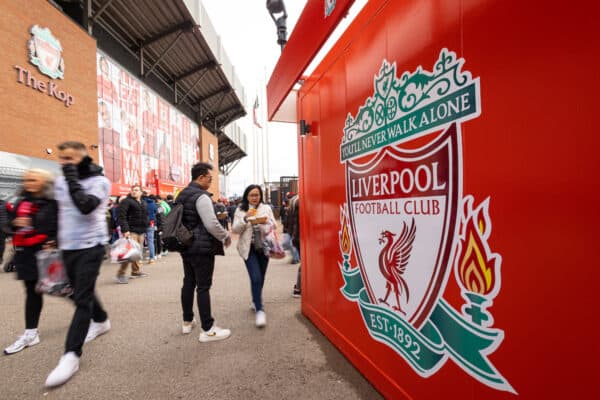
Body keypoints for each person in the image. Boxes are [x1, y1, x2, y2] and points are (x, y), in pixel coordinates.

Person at [45, 141, 111, 387]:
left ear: (84, 158)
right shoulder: (60, 181)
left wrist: (72, 178)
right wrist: (50, 237)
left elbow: (85, 206)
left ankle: (71, 355)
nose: (65, 163)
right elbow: (57, 211)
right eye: (62, 158)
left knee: (81, 299)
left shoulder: (100, 182)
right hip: (66, 247)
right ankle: (102, 319)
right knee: (76, 293)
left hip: (91, 246)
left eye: (71, 158)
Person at [3, 169, 57, 355]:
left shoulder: (51, 201)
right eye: (26, 180)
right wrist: (14, 224)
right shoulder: (21, 200)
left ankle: (93, 314)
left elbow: (58, 225)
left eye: (33, 179)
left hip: (46, 252)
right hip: (25, 252)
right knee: (33, 291)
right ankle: (31, 333)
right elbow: (8, 223)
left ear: (44, 181)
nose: (29, 183)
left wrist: (52, 240)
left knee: (64, 288)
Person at [177, 162, 232, 341]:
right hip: (201, 247)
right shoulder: (201, 196)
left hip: (186, 245)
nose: (211, 181)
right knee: (203, 286)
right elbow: (211, 223)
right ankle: (208, 329)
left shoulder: (182, 194)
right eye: (209, 178)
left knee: (189, 282)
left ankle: (187, 321)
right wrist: (225, 236)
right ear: (200, 177)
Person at [232, 185, 276, 328]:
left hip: (264, 246)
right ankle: (260, 309)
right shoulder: (240, 209)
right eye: (251, 195)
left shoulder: (266, 208)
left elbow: (274, 225)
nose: (254, 198)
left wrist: (265, 222)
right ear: (246, 196)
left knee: (261, 277)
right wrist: (246, 219)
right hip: (248, 248)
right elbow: (235, 229)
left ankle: (255, 300)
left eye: (257, 195)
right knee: (255, 277)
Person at [116, 184, 148, 283]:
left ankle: (135, 271)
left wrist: (146, 227)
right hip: (131, 231)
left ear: (141, 192)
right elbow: (122, 216)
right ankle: (120, 274)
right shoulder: (126, 201)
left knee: (137, 253)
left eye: (136, 190)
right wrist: (125, 230)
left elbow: (145, 216)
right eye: (133, 190)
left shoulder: (143, 202)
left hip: (141, 231)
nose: (134, 191)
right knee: (129, 253)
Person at [143, 192, 157, 263]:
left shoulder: (141, 203)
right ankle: (152, 258)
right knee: (151, 241)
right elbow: (156, 212)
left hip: (141, 223)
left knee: (140, 241)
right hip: (151, 223)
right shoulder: (153, 203)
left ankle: (139, 260)